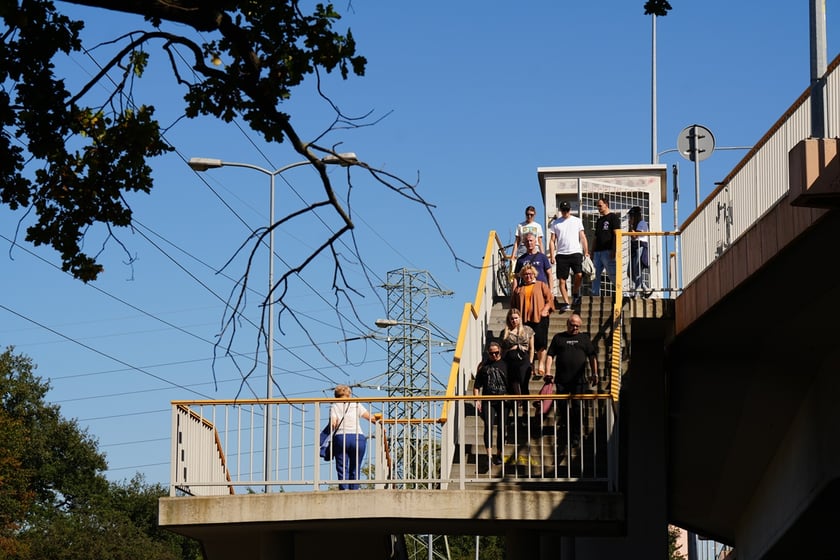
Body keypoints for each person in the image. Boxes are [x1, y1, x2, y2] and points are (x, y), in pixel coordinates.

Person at [545, 314, 599, 449]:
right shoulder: (558, 337)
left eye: (577, 326)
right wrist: (547, 372)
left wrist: (595, 373)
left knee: (577, 408)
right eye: (573, 325)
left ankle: (575, 436)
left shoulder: (584, 338)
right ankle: (566, 429)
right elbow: (550, 355)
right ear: (567, 324)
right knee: (562, 407)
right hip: (562, 380)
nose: (575, 328)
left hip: (579, 381)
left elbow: (592, 356)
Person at [510, 264, 554, 379]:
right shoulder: (519, 289)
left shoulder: (541, 285)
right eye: (525, 274)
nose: (528, 276)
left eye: (530, 274)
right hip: (524, 320)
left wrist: (545, 309)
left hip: (540, 318)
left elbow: (549, 299)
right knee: (527, 344)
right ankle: (531, 366)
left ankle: (541, 364)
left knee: (541, 342)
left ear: (534, 274)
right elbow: (513, 305)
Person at [330, 384, 378, 490]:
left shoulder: (335, 406)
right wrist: (381, 424)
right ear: (349, 394)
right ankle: (354, 490)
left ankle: (344, 490)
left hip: (341, 437)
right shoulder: (356, 404)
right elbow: (371, 418)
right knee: (355, 467)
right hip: (357, 437)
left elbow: (333, 423)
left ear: (336, 395)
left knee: (342, 467)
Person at [548, 201, 590, 312]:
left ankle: (575, 293)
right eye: (563, 210)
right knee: (562, 280)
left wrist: (586, 251)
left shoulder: (577, 221)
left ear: (570, 210)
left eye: (567, 210)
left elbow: (583, 236)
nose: (565, 212)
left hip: (575, 252)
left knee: (579, 275)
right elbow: (552, 240)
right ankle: (566, 302)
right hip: (561, 254)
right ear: (560, 210)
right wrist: (552, 255)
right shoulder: (555, 223)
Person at [473, 340, 509, 465]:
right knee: (488, 426)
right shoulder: (484, 366)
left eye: (496, 353)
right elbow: (476, 386)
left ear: (500, 352)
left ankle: (499, 453)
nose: (494, 355)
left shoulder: (505, 364)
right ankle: (489, 455)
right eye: (491, 353)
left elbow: (513, 381)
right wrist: (477, 400)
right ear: (488, 353)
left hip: (503, 399)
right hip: (488, 400)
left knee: (502, 427)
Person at [500, 307, 535, 401]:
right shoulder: (505, 332)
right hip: (510, 360)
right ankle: (515, 405)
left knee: (524, 384)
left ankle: (525, 407)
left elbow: (531, 348)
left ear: (520, 318)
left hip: (524, 359)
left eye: (516, 318)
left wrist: (530, 361)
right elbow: (502, 350)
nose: (514, 320)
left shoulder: (527, 330)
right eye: (512, 318)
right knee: (513, 385)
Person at [591, 196, 621, 296]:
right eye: (597, 206)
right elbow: (596, 237)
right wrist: (592, 252)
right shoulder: (599, 221)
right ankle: (595, 294)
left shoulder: (613, 217)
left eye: (600, 206)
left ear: (606, 205)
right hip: (597, 252)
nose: (598, 208)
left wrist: (614, 250)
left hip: (608, 251)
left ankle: (621, 293)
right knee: (594, 274)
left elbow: (616, 234)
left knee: (612, 274)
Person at [627, 206, 650, 296]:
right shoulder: (634, 225)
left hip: (640, 247)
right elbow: (632, 236)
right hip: (635, 248)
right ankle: (645, 289)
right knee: (630, 272)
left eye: (631, 216)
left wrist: (631, 227)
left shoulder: (642, 223)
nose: (630, 218)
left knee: (637, 271)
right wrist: (630, 226)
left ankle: (637, 293)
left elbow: (635, 236)